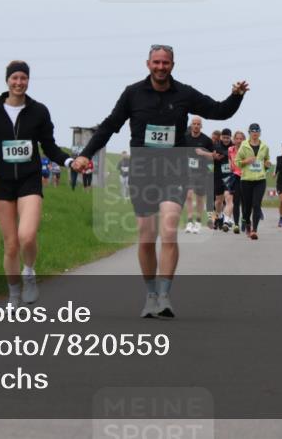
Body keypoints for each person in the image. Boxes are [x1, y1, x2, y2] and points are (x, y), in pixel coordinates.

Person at [70, 45, 248, 318]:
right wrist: (85, 155)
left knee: (168, 231)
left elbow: (220, 110)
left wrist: (236, 95)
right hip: (142, 172)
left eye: (166, 62)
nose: (161, 67)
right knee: (145, 237)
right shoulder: (133, 94)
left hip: (173, 170)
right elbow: (108, 127)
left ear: (173, 65)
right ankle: (151, 293)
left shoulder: (184, 94)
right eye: (156, 62)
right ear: (148, 64)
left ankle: (164, 295)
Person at [0, 61, 73, 306]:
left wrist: (70, 161)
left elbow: (49, 146)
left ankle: (29, 272)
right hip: (1, 182)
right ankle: (13, 294)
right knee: (11, 245)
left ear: (28, 81)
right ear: (7, 81)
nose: (19, 82)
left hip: (29, 180)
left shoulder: (39, 111)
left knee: (27, 236)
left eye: (23, 78)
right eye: (14, 78)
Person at [235, 123, 271, 240]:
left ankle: (255, 230)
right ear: (249, 133)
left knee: (256, 204)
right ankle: (248, 225)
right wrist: (247, 161)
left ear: (260, 132)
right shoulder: (244, 146)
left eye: (257, 131)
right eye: (252, 131)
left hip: (260, 179)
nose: (255, 133)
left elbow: (267, 161)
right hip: (246, 180)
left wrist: (267, 165)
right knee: (247, 206)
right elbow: (237, 162)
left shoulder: (264, 146)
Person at [183, 116, 215, 234]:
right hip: (188, 171)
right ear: (191, 125)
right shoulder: (185, 138)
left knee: (200, 198)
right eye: (194, 124)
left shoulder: (206, 140)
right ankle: (190, 221)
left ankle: (198, 222)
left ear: (201, 126)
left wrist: (203, 152)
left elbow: (213, 155)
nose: (196, 126)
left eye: (198, 124)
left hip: (202, 172)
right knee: (189, 195)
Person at [226, 130, 245, 233]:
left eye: (241, 139)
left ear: (244, 140)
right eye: (237, 138)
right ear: (234, 139)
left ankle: (244, 220)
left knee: (245, 202)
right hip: (236, 177)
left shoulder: (247, 150)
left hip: (246, 178)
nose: (238, 141)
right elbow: (230, 159)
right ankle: (236, 224)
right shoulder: (230, 149)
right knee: (235, 202)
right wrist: (230, 167)